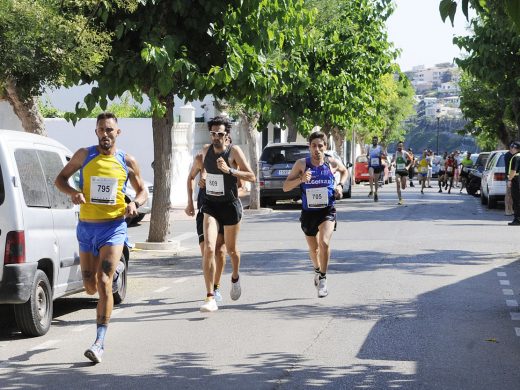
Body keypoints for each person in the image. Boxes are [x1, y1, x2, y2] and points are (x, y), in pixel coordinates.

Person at [55, 112, 147, 363]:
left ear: (118, 133)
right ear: (96, 132)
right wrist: (73, 193)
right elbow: (60, 179)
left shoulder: (126, 160)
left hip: (113, 227)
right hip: (86, 228)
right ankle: (114, 272)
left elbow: (142, 191)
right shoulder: (84, 155)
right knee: (89, 286)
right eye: (101, 130)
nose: (105, 134)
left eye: (110, 130)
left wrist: (134, 204)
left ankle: (99, 342)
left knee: (104, 281)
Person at [198, 115, 255, 312]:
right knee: (210, 248)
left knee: (231, 250)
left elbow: (252, 176)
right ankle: (210, 296)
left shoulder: (234, 152)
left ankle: (235, 275)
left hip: (230, 206)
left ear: (226, 134)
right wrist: (202, 181)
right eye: (213, 133)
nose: (216, 137)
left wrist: (230, 170)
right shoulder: (205, 151)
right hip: (211, 206)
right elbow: (202, 173)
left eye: (220, 134)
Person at [283, 131, 348, 298]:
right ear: (309, 147)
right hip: (308, 212)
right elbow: (286, 187)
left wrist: (340, 185)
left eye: (320, 146)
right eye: (314, 146)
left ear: (325, 147)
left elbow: (344, 171)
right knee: (314, 249)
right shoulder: (301, 164)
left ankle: (324, 279)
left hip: (327, 210)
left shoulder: (331, 162)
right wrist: (301, 179)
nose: (317, 149)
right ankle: (317, 270)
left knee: (324, 243)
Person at [185, 150, 227, 302]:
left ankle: (215, 287)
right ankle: (209, 291)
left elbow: (241, 186)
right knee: (207, 251)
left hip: (224, 210)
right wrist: (190, 202)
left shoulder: (229, 158)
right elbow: (190, 178)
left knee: (220, 251)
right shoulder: (200, 158)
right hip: (205, 210)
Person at [366, 136, 385, 202]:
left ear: (377, 141)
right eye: (373, 140)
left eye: (375, 140)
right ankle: (371, 190)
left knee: (376, 180)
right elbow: (367, 155)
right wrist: (368, 159)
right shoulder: (369, 147)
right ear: (372, 141)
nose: (374, 141)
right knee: (371, 176)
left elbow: (384, 156)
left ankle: (376, 193)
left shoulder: (380, 148)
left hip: (378, 165)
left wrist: (380, 155)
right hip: (371, 164)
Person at [507, 142, 520, 225]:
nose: (510, 149)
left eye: (511, 147)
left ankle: (517, 219)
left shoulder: (516, 157)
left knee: (516, 200)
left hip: (517, 180)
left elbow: (513, 171)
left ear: (514, 148)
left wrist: (509, 180)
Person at [504, 143, 514, 216]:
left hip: (515, 176)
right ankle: (508, 210)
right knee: (509, 194)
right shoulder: (508, 155)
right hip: (510, 176)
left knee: (514, 195)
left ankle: (512, 209)